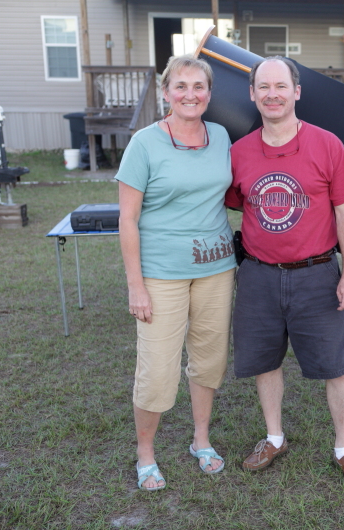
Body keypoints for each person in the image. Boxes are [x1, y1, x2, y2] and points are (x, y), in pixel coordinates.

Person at [225, 56, 344, 488]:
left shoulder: (327, 144)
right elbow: (230, 204)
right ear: (252, 94)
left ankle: (343, 448)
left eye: (281, 86)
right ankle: (274, 438)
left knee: (335, 366)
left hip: (316, 274)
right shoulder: (239, 152)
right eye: (263, 86)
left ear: (297, 92)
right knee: (265, 362)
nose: (272, 94)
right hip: (259, 275)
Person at [116, 55, 236, 491]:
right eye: (180, 86)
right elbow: (127, 219)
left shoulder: (220, 135)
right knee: (158, 368)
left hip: (216, 268)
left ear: (209, 93)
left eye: (198, 87)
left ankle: (200, 440)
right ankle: (145, 453)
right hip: (161, 273)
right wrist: (136, 286)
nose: (190, 94)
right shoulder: (144, 143)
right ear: (166, 92)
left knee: (208, 361)